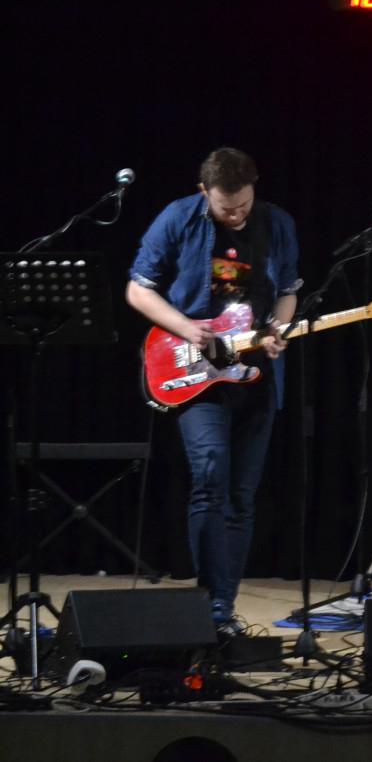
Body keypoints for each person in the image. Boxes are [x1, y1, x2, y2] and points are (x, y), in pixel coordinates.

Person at [127, 147, 301, 634]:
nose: (237, 214)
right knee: (210, 478)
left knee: (242, 497)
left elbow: (287, 290)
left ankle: (221, 609)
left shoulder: (277, 224)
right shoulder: (178, 218)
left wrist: (278, 329)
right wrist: (185, 327)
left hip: (255, 374)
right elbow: (138, 289)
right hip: (197, 370)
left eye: (243, 204)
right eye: (227, 208)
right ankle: (205, 604)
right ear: (204, 192)